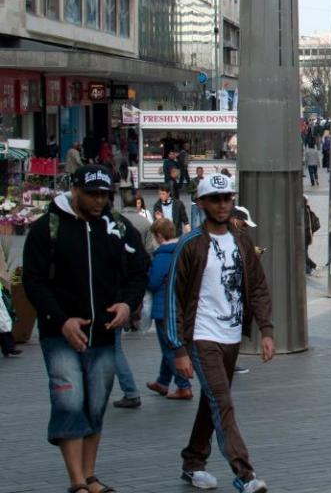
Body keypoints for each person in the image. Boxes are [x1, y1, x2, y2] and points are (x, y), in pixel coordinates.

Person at [22, 165, 149, 493]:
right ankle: (76, 481)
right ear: (74, 190)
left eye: (104, 195)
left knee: (95, 403)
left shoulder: (117, 227)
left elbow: (138, 273)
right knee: (69, 401)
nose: (98, 201)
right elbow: (34, 282)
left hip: (105, 334)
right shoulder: (46, 229)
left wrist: (127, 304)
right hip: (60, 335)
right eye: (92, 194)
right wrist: (60, 319)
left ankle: (90, 476)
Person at [163, 173, 274, 493]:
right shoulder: (189, 245)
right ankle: (245, 474)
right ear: (201, 204)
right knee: (223, 401)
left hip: (231, 336)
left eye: (227, 199)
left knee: (212, 401)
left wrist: (266, 329)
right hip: (201, 336)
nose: (223, 205)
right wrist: (178, 348)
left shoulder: (241, 241)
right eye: (215, 199)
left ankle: (192, 462)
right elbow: (173, 298)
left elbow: (258, 288)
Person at [145, 218, 193, 400]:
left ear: (159, 235)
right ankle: (162, 382)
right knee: (169, 345)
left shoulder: (162, 255)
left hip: (162, 307)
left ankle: (183, 386)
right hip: (180, 305)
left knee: (168, 349)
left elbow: (153, 281)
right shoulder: (182, 250)